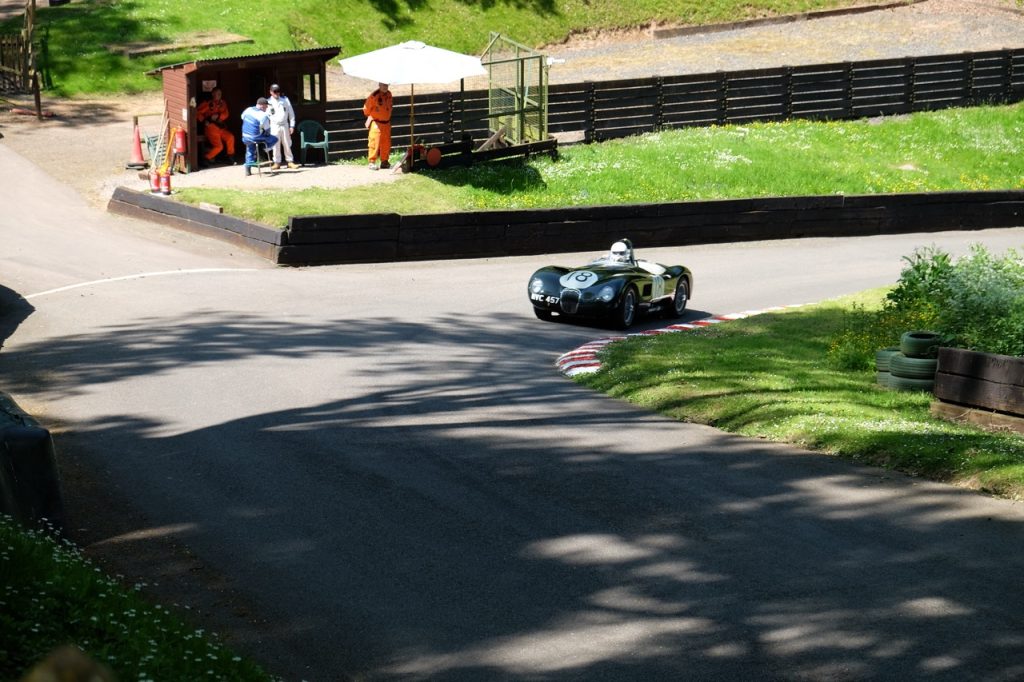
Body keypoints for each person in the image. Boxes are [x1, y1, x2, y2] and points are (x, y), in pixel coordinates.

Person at [196, 88, 236, 165]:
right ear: (212, 94)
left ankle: (230, 157)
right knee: (219, 147)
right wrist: (204, 121)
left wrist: (219, 116)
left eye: (220, 94)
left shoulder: (223, 103)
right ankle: (206, 158)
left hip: (220, 127)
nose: (219, 95)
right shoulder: (208, 103)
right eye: (217, 94)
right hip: (211, 128)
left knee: (230, 137)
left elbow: (226, 114)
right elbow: (197, 112)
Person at [240, 97, 278, 176]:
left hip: (245, 136)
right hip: (255, 137)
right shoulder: (263, 115)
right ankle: (262, 150)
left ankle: (248, 169)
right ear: (262, 106)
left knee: (250, 149)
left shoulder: (248, 109)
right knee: (274, 139)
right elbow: (267, 130)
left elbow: (242, 117)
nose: (267, 108)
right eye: (266, 106)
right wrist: (264, 133)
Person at [266, 83, 299, 170]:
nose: (277, 93)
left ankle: (290, 162)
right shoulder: (268, 102)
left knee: (287, 143)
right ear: (271, 92)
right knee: (275, 145)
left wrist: (292, 125)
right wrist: (267, 129)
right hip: (274, 125)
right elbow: (266, 116)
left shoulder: (285, 100)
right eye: (275, 91)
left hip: (285, 125)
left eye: (278, 91)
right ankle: (277, 163)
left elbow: (291, 114)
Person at [362, 82, 392, 170]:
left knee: (386, 143)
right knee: (374, 142)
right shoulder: (374, 95)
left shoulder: (389, 94)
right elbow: (366, 110)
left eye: (387, 85)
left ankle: (384, 162)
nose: (385, 87)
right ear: (379, 85)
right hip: (376, 122)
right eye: (383, 85)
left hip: (386, 123)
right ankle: (372, 162)